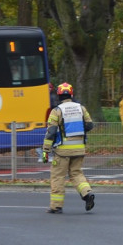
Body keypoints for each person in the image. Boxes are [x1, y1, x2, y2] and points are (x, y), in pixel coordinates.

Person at [41, 82, 95, 214]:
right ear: (71, 94)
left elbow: (51, 132)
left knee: (57, 176)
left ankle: (56, 206)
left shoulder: (56, 111)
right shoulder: (81, 108)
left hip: (62, 151)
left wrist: (45, 151)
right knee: (76, 173)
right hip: (79, 149)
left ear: (59, 95)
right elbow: (89, 125)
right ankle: (87, 194)